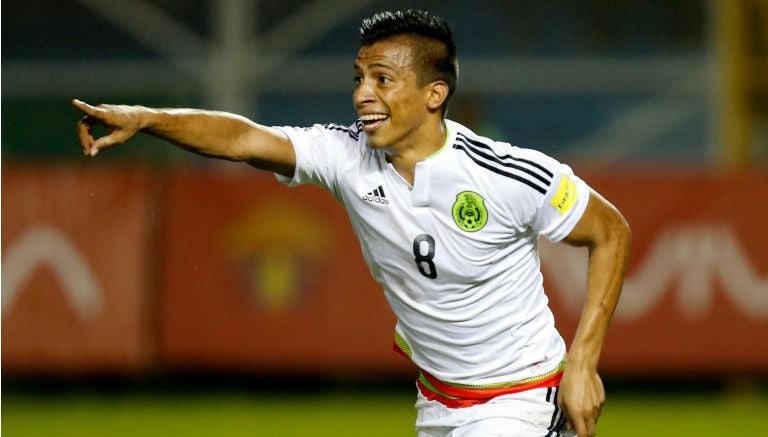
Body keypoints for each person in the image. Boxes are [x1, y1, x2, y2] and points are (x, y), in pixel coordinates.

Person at [73, 9, 630, 437]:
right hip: (438, 402)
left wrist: (583, 361)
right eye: (360, 77)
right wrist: (148, 119)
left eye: (383, 79)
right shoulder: (345, 155)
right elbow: (242, 137)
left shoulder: (505, 173)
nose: (364, 93)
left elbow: (610, 231)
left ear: (435, 94)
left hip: (524, 400)